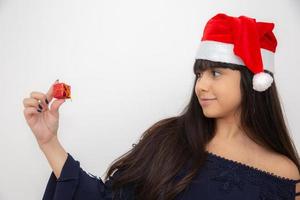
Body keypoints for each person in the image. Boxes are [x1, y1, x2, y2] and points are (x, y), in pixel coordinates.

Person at [23, 13, 300, 200]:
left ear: (255, 81)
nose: (201, 86)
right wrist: (49, 142)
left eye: (215, 73)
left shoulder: (285, 174)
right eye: (199, 74)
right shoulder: (169, 139)